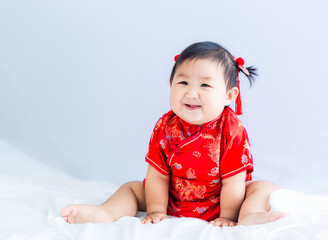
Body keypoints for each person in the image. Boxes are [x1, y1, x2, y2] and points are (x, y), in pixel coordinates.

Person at [61, 41, 287, 227]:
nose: (191, 92)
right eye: (183, 82)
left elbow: (233, 181)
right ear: (171, 84)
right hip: (172, 198)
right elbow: (158, 175)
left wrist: (228, 216)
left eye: (205, 86)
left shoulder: (231, 129)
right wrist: (157, 210)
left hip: (222, 202)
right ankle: (106, 213)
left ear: (229, 95)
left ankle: (249, 216)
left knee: (261, 188)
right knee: (132, 188)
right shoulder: (165, 125)